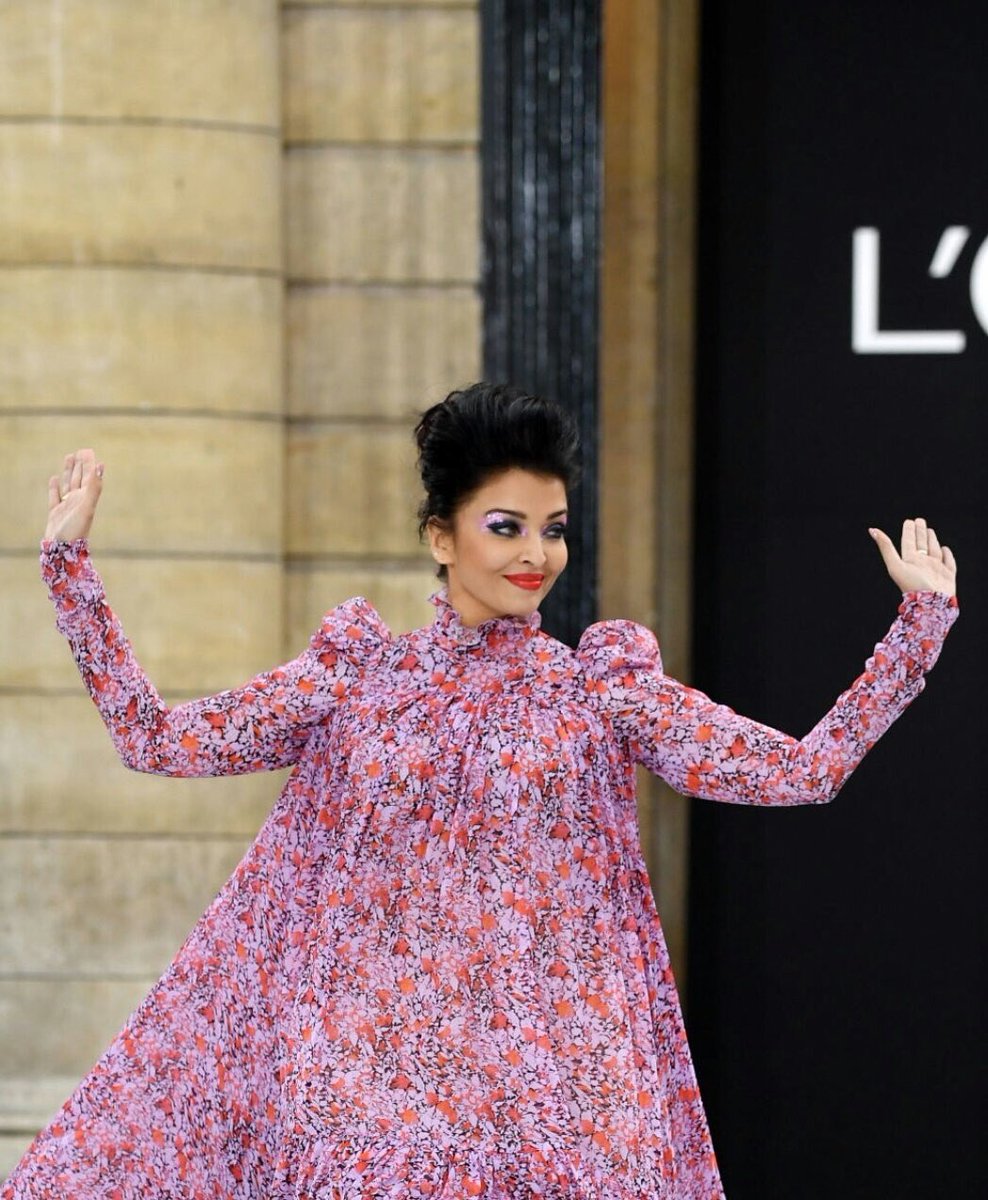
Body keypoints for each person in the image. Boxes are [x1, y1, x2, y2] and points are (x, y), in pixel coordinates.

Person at [4, 383, 959, 1200]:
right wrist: (69, 571)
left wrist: (918, 627)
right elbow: (158, 742)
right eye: (504, 527)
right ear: (439, 536)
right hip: (376, 1092)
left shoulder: (600, 689)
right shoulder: (355, 679)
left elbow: (798, 772)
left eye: (552, 530)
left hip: (562, 1092)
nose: (534, 554)